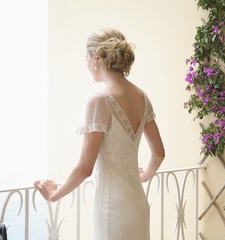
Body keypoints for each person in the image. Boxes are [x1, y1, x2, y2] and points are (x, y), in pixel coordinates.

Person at [34, 28, 165, 240]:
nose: (86, 64)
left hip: (112, 208)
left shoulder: (98, 100)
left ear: (96, 58)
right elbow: (159, 153)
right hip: (138, 203)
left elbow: (85, 168)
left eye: (85, 58)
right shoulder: (142, 97)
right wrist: (143, 176)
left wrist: (53, 195)